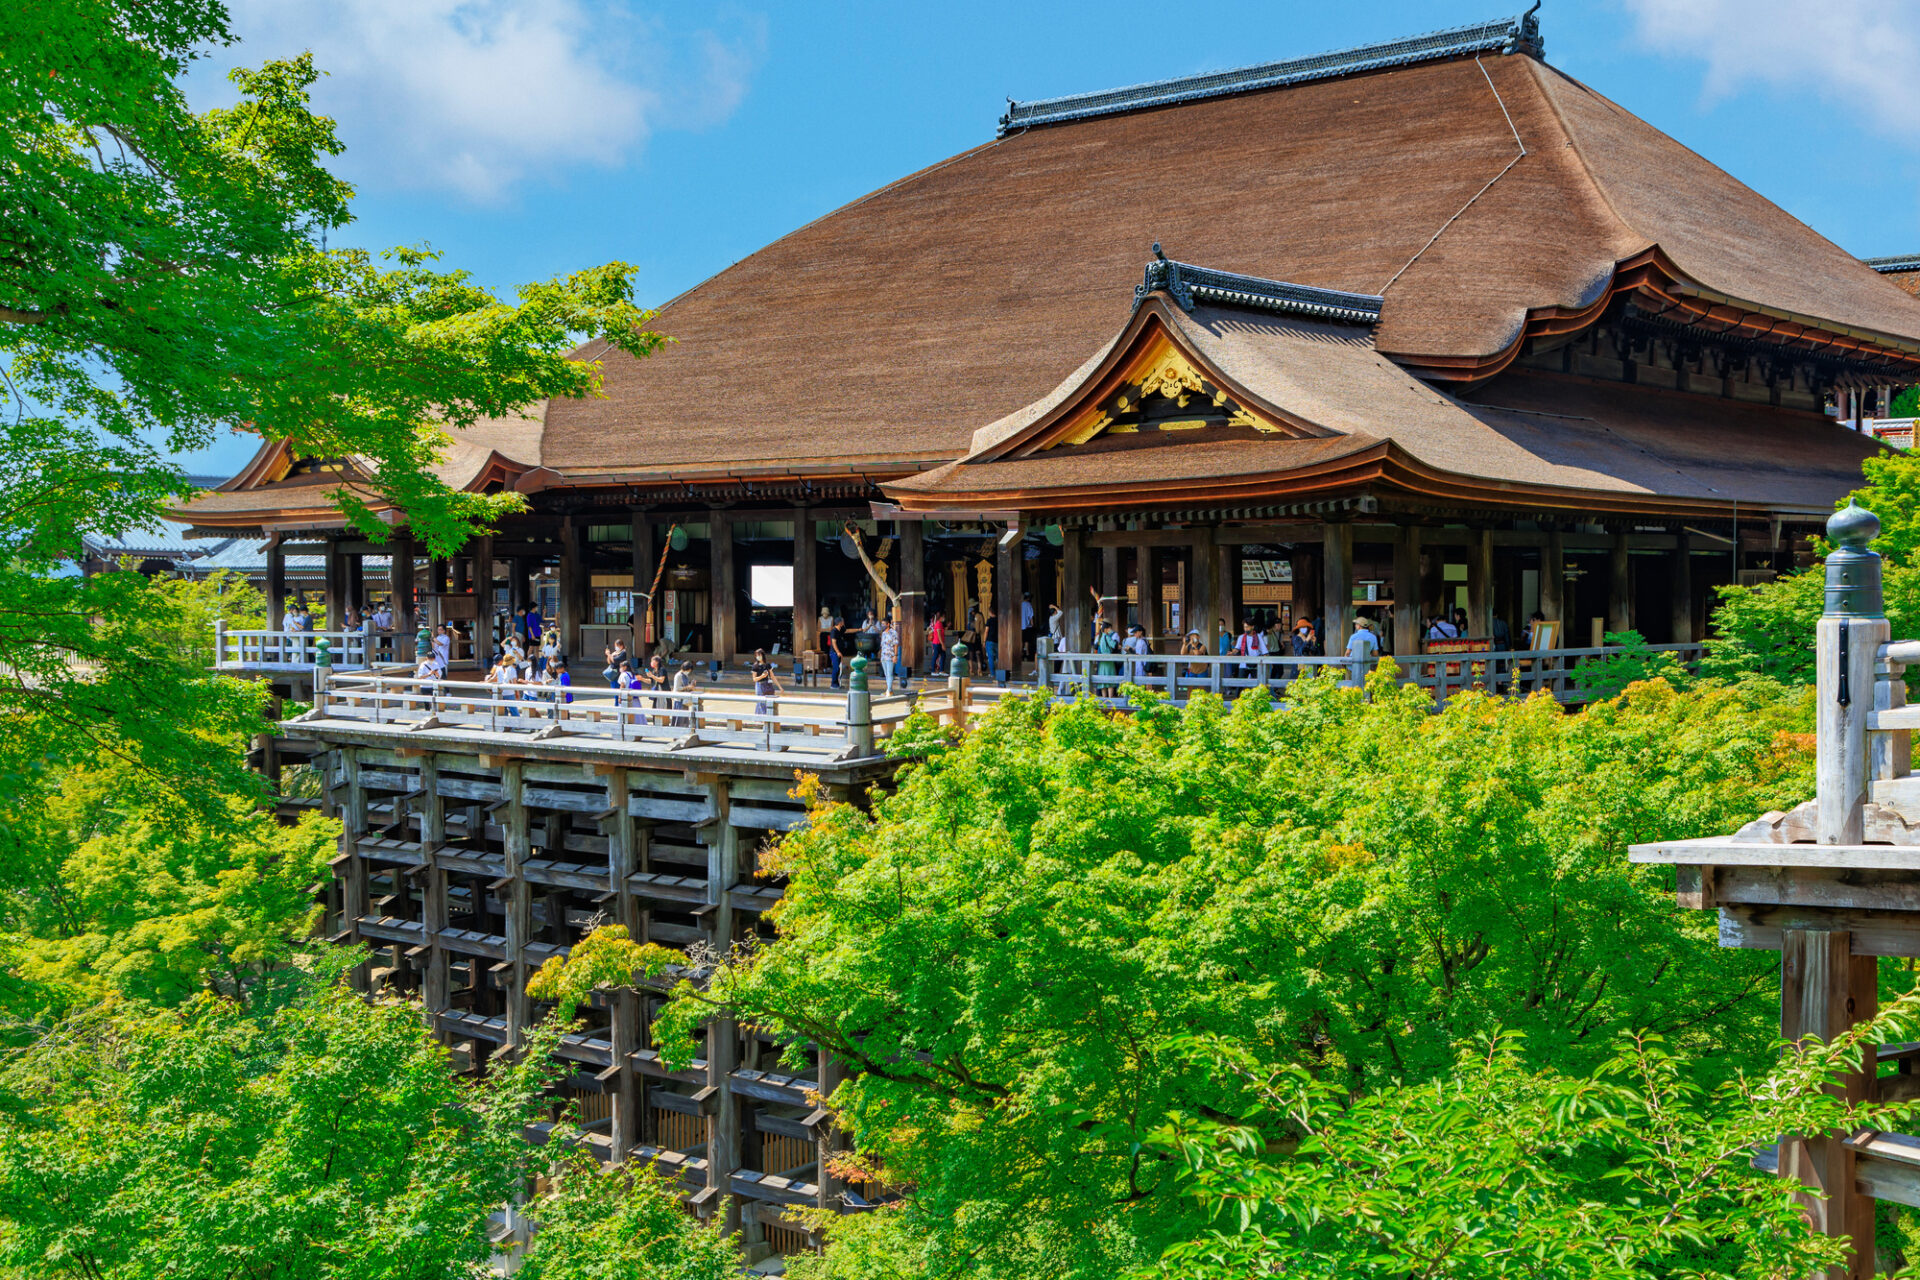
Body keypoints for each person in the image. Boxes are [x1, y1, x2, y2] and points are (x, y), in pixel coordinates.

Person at [749, 647, 784, 718]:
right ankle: (762, 719)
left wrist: (780, 687)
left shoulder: (767, 665)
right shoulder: (755, 666)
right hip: (759, 685)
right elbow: (754, 679)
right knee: (760, 702)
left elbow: (773, 677)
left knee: (768, 702)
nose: (758, 657)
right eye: (756, 655)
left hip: (767, 685)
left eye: (759, 655)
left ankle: (765, 718)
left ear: (763, 655)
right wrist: (762, 676)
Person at [1345, 616, 1380, 687]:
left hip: (1352, 665)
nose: (1355, 626)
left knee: (1350, 684)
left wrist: (1344, 661)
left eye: (1356, 624)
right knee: (1366, 684)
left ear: (1359, 626)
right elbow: (1375, 654)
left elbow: (1348, 653)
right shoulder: (1373, 637)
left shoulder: (1353, 636)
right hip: (1366, 665)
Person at [1093, 618, 1122, 685]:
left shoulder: (1114, 635)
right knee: (1102, 676)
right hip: (1102, 659)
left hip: (1111, 659)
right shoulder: (1099, 636)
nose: (1101, 627)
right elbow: (1096, 646)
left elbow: (1115, 646)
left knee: (1110, 676)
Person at [671, 659, 697, 728]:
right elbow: (677, 688)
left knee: (685, 719)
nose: (689, 672)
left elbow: (685, 687)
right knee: (679, 718)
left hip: (685, 700)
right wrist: (687, 687)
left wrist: (691, 686)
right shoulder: (678, 676)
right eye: (689, 670)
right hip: (679, 700)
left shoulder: (685, 676)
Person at [880, 618, 901, 694]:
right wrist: (881, 657)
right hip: (883, 656)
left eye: (883, 624)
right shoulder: (883, 633)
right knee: (886, 674)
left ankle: (889, 690)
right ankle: (889, 690)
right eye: (882, 624)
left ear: (888, 624)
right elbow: (882, 645)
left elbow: (896, 645)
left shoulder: (893, 633)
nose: (882, 626)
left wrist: (895, 655)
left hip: (890, 656)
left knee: (889, 673)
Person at [985, 613, 1000, 679]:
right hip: (997, 640)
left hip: (989, 640)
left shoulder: (989, 620)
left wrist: (984, 641)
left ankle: (993, 673)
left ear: (990, 612)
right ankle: (1000, 672)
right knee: (998, 657)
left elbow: (986, 631)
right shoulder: (999, 620)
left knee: (990, 658)